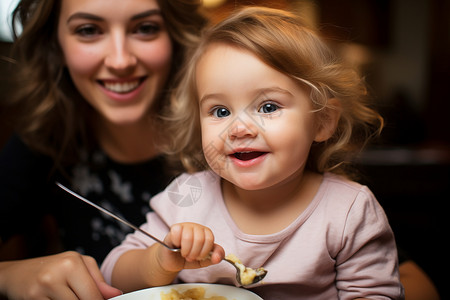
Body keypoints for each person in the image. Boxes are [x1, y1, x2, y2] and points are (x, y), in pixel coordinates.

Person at [101, 6, 404, 299]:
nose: (239, 128)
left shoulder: (348, 210)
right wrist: (160, 261)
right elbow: (113, 273)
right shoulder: (187, 196)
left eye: (268, 107)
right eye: (220, 111)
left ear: (322, 121)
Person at [0, 0, 205, 299]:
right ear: (55, 44)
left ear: (175, 35)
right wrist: (8, 275)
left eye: (145, 28)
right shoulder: (44, 140)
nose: (120, 61)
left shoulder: (231, 139)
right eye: (88, 30)